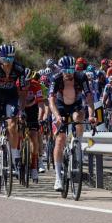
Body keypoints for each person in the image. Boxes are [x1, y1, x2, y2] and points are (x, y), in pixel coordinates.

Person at [48, 55, 96, 191]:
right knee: (60, 139)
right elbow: (51, 100)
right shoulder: (56, 78)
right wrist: (57, 116)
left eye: (71, 70)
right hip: (60, 107)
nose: (69, 73)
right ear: (61, 69)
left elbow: (89, 98)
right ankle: (58, 178)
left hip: (75, 105)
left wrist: (91, 116)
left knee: (79, 117)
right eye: (66, 70)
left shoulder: (81, 77)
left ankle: (78, 144)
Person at [0, 44, 27, 176]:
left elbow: (23, 91)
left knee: (12, 126)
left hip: (11, 96)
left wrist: (22, 110)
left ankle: (14, 160)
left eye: (10, 59)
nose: (7, 62)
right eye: (4, 59)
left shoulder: (20, 69)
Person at [18, 68, 45, 183]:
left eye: (29, 82)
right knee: (17, 132)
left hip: (33, 110)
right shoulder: (16, 84)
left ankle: (34, 166)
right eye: (25, 82)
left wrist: (40, 119)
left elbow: (41, 105)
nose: (27, 84)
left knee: (34, 136)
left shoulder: (36, 85)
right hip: (20, 108)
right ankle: (17, 158)